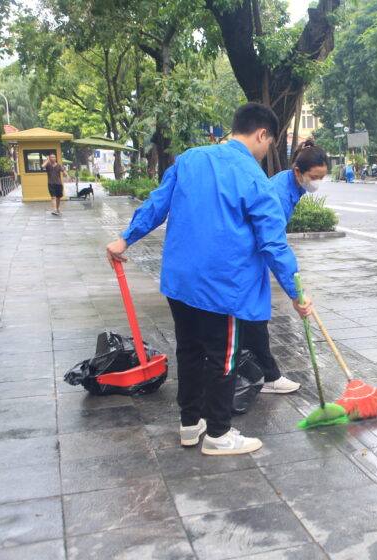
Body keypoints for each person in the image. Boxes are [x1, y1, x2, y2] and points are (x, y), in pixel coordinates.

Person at [105, 103, 313, 456]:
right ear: (262, 134)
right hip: (223, 285)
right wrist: (296, 292)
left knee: (189, 350)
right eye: (269, 144)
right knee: (223, 357)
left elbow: (158, 203)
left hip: (181, 280)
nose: (266, 152)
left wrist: (125, 238)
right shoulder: (252, 177)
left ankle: (190, 424)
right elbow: (273, 242)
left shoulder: (189, 159)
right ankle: (218, 434)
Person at [238, 139, 330, 395]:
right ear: (298, 171)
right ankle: (268, 377)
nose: (317, 183)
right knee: (254, 316)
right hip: (247, 256)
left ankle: (257, 373)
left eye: (322, 177)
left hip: (252, 253)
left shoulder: (290, 184)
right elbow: (274, 245)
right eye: (314, 176)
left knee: (251, 317)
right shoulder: (279, 194)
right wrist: (295, 293)